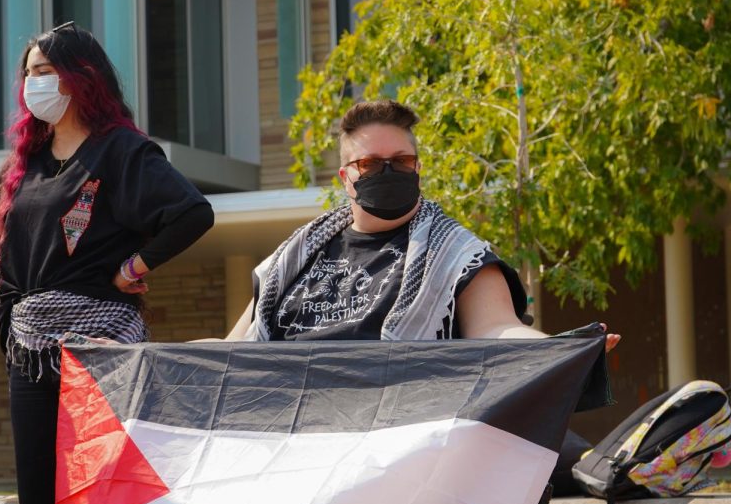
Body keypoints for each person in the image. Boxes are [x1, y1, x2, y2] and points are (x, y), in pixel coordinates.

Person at [0, 22, 214, 504]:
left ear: (84, 77)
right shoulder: (21, 167)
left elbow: (191, 213)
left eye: (48, 69)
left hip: (103, 361)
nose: (36, 84)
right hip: (31, 364)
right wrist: (14, 339)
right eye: (29, 71)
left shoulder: (122, 152)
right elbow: (2, 269)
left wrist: (132, 265)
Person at [225, 99, 620, 350]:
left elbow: (497, 329)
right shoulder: (290, 260)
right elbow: (232, 347)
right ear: (345, 178)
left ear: (418, 168)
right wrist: (163, 357)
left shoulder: (457, 255)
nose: (388, 171)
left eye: (401, 161)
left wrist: (563, 349)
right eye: (369, 164)